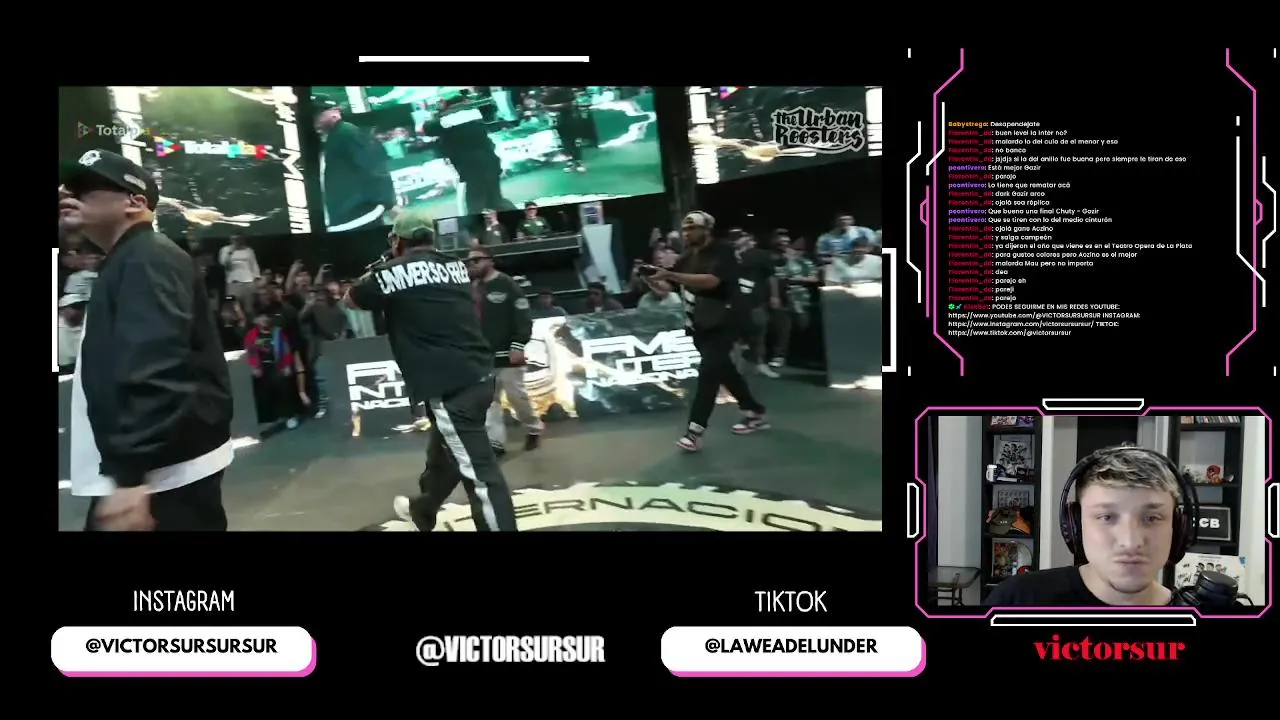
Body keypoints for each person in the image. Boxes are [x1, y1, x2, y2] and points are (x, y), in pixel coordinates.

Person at [59, 149, 234, 531]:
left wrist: (130, 476)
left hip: (160, 478)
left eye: (85, 187)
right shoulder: (131, 258)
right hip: (153, 472)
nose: (67, 194)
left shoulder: (147, 257)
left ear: (135, 202)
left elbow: (157, 365)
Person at [345, 207, 518, 532]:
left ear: (397, 241)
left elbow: (351, 299)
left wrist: (381, 265)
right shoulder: (456, 267)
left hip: (449, 386)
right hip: (480, 375)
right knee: (443, 457)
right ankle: (422, 510)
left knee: (480, 473)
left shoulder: (389, 272)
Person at [986, 446, 1186, 607]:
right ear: (1075, 525)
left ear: (1176, 527)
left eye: (1152, 518)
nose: (1130, 542)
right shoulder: (1015, 600)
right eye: (1107, 517)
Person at [644, 211, 768, 452]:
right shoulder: (688, 255)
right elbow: (666, 287)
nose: (687, 233)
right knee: (725, 370)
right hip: (701, 323)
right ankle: (755, 411)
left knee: (709, 373)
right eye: (685, 229)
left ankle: (694, 432)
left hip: (726, 320)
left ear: (706, 229)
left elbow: (712, 281)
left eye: (692, 229)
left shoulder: (723, 251)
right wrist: (649, 277)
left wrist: (671, 274)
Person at [466, 247, 545, 455]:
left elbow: (523, 318)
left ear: (490, 261)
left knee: (516, 397)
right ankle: (496, 442)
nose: (472, 265)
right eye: (469, 261)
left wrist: (518, 345)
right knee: (489, 401)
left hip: (508, 355)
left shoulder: (508, 284)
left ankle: (534, 427)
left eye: (476, 260)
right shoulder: (471, 288)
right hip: (483, 356)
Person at [314, 96, 399, 232]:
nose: (315, 118)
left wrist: (389, 203)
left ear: (335, 112)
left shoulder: (346, 132)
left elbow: (372, 165)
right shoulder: (333, 136)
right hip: (348, 217)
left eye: (319, 113)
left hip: (360, 215)